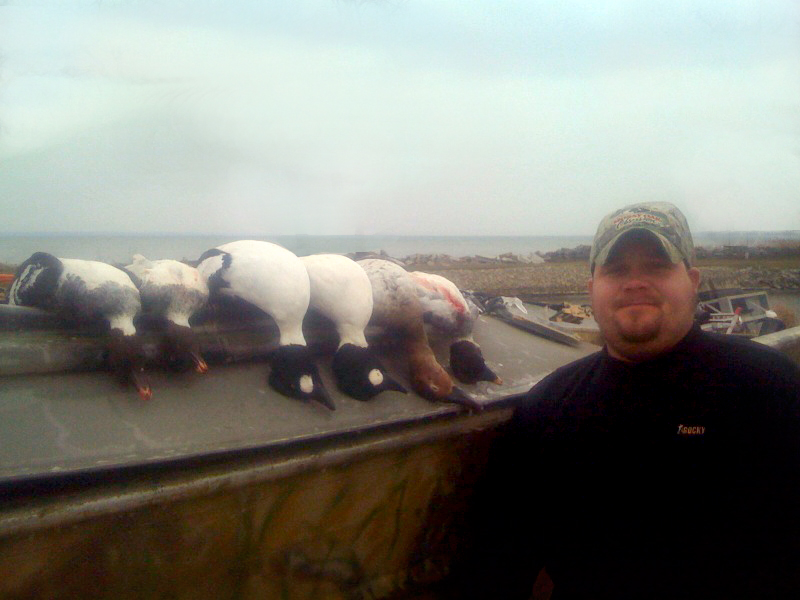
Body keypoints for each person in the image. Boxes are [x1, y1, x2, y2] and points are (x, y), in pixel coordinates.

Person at [454, 202, 800, 599]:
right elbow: (498, 566)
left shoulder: (768, 389)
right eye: (616, 269)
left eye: (656, 266)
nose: (634, 282)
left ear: (692, 281)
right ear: (591, 290)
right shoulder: (547, 410)